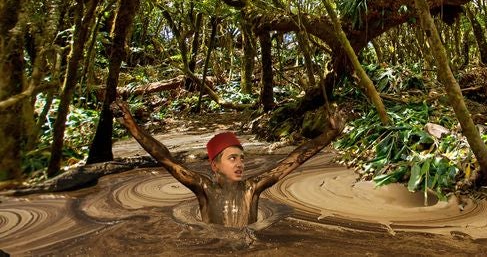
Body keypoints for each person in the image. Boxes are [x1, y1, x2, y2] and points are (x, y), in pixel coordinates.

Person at [112, 100, 343, 227]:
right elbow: (165, 158)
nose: (240, 163)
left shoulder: (252, 188)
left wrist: (330, 134)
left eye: (242, 158)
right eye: (232, 158)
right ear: (215, 165)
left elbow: (293, 159)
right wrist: (134, 129)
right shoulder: (204, 188)